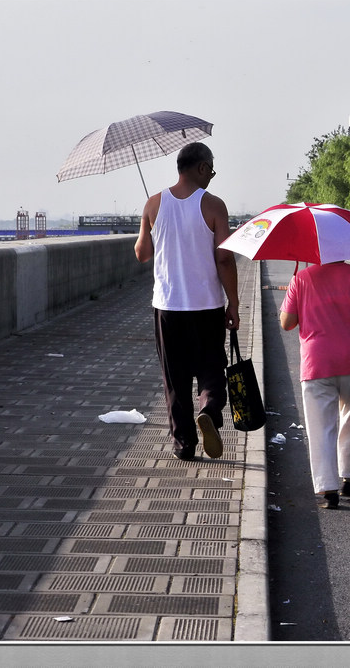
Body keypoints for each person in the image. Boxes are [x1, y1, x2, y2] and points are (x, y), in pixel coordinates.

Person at [134, 142, 240, 461]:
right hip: (206, 305)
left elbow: (142, 254)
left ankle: (184, 444)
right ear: (202, 168)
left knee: (175, 378)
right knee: (211, 368)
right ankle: (208, 408)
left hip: (167, 306)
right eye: (212, 169)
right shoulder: (214, 206)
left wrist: (150, 224)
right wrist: (232, 303)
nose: (212, 176)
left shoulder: (153, 203)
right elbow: (223, 259)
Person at [280, 261, 350, 509]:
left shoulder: (301, 278)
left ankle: (328, 489)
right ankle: (349, 480)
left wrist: (293, 291)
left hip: (317, 362)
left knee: (320, 425)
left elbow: (287, 323)